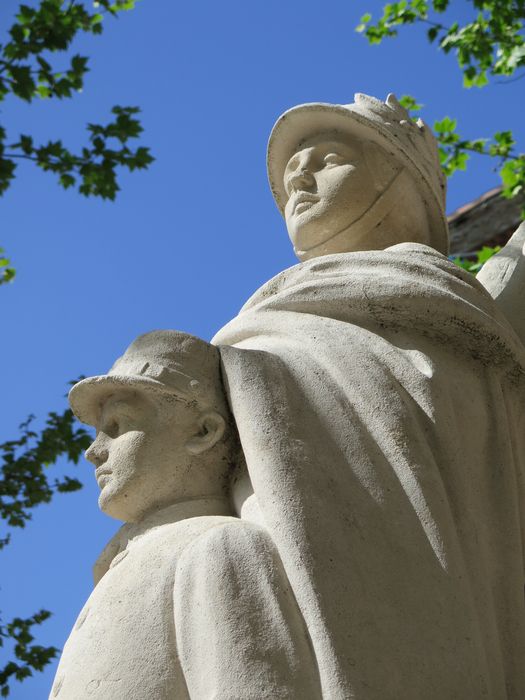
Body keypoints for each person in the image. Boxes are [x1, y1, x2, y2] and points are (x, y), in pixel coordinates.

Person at [213, 94, 525, 698]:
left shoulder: (463, 308)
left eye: (327, 157)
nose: (298, 177)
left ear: (401, 181)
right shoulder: (263, 313)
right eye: (286, 177)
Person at [49, 330, 321, 700]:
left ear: (203, 431)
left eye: (117, 427)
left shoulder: (219, 547)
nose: (94, 451)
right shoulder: (119, 567)